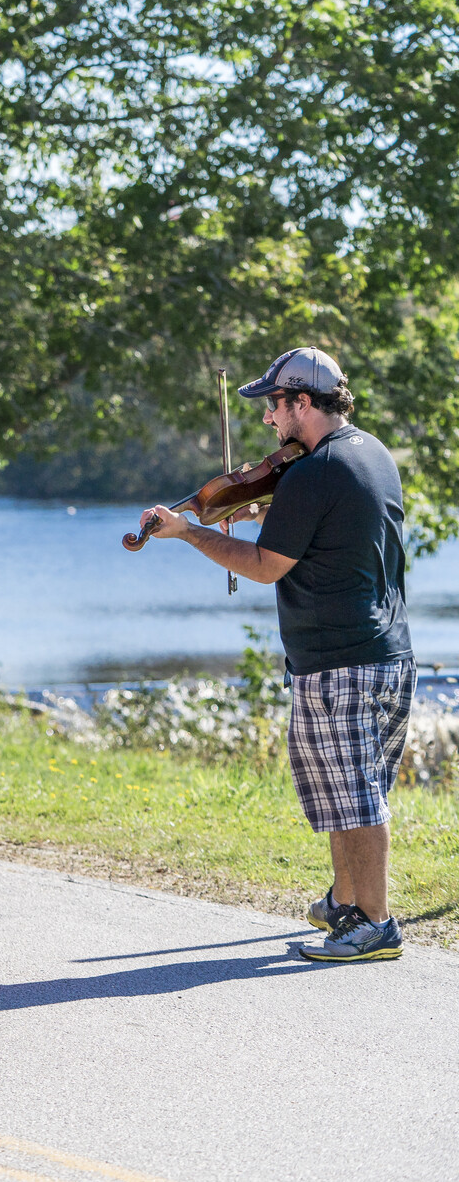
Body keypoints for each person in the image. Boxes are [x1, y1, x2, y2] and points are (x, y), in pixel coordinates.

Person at [141, 346, 412, 962]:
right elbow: (337, 524)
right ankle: (348, 903)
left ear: (303, 403)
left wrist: (189, 531)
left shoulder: (314, 473)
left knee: (357, 793)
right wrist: (266, 506)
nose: (269, 421)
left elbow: (265, 566)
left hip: (344, 657)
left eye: (276, 406)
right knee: (346, 790)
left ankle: (375, 921)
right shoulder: (370, 454)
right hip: (383, 651)